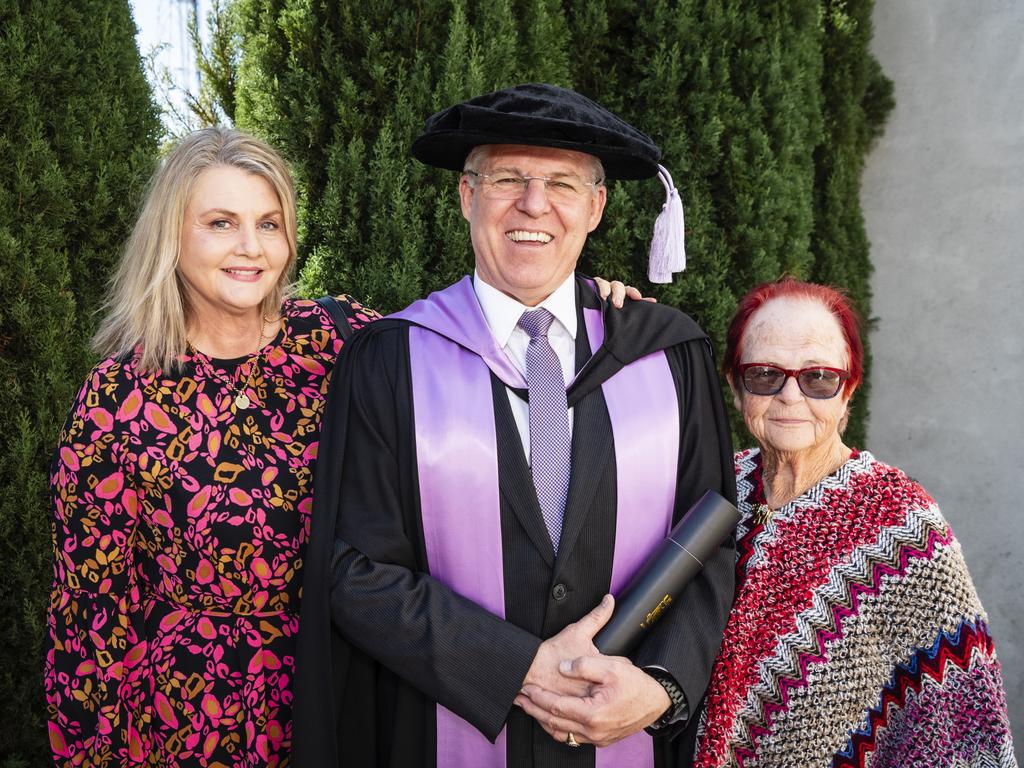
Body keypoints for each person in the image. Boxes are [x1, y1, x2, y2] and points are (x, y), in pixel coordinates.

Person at [43, 125, 639, 767]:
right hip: (195, 715)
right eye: (220, 223)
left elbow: (476, 349)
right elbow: (89, 616)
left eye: (269, 224)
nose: (250, 247)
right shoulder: (117, 400)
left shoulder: (342, 340)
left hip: (354, 687)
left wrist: (582, 305)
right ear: (172, 236)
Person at [294, 83, 737, 768]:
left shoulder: (666, 354)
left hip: (627, 740)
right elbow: (352, 570)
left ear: (596, 207)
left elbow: (713, 546)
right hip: (439, 733)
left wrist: (659, 687)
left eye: (562, 183)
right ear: (467, 196)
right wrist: (518, 668)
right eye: (508, 179)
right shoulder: (392, 359)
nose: (534, 205)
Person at [692, 278, 1017, 767]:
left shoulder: (902, 526)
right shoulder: (711, 489)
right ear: (736, 386)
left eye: (818, 377)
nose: (789, 396)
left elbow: (962, 723)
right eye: (763, 375)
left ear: (848, 391)